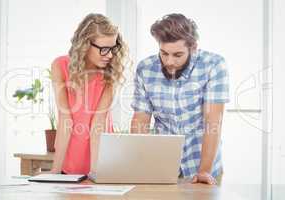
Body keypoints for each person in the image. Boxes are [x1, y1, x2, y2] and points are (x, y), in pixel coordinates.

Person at [130, 13, 229, 185]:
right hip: (162, 168)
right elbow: (141, 119)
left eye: (177, 55)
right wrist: (139, 165)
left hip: (203, 166)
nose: (169, 61)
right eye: (164, 53)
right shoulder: (145, 69)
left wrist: (204, 171)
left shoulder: (214, 65)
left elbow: (213, 121)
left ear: (193, 47)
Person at [50, 13, 128, 174]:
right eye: (104, 49)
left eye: (113, 48)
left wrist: (94, 172)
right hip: (69, 159)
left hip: (100, 159)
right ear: (85, 44)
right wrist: (55, 171)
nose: (110, 55)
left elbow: (98, 123)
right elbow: (66, 118)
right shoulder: (60, 66)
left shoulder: (109, 73)